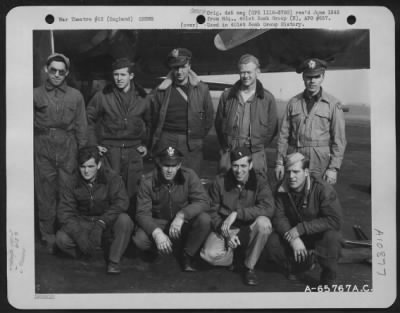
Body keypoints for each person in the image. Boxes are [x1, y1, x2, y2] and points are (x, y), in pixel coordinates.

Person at [34, 53, 88, 253]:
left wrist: (83, 152)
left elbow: (82, 126)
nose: (57, 75)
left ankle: (65, 237)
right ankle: (48, 238)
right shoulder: (35, 95)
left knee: (67, 193)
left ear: (67, 73)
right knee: (45, 194)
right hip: (43, 146)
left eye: (61, 71)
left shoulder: (76, 95)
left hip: (68, 147)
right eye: (53, 70)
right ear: (46, 70)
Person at [201, 146, 274, 286]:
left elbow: (269, 208)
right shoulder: (220, 181)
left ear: (251, 165)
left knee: (264, 223)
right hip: (227, 228)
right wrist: (226, 233)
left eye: (243, 166)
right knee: (208, 255)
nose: (239, 171)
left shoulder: (259, 181)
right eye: (235, 165)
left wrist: (237, 213)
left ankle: (249, 267)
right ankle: (237, 258)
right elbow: (211, 210)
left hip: (250, 228)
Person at [266, 152, 342, 286]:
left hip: (318, 235)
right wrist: (293, 239)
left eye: (296, 172)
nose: (291, 177)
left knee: (332, 237)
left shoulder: (323, 189)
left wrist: (302, 228)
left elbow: (334, 220)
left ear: (306, 172)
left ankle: (329, 275)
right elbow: (278, 217)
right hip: (296, 235)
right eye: (288, 172)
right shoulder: (280, 188)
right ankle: (300, 264)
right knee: (272, 242)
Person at [56, 146, 134, 274]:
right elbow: (65, 212)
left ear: (98, 165)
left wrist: (102, 223)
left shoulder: (112, 178)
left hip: (105, 221)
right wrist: (78, 234)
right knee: (61, 239)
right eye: (82, 166)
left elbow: (121, 203)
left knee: (125, 220)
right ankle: (88, 253)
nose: (86, 171)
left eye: (90, 166)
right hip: (83, 222)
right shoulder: (71, 181)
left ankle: (114, 260)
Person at [133, 146, 211, 271]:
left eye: (174, 165)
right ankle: (159, 248)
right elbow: (142, 214)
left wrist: (182, 214)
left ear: (179, 165)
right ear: (159, 163)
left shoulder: (189, 175)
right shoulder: (147, 181)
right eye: (166, 165)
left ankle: (188, 254)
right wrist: (157, 233)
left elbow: (204, 201)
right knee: (140, 240)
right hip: (159, 222)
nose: (170, 170)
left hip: (181, 223)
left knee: (205, 220)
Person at [275, 58, 347, 184]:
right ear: (303, 77)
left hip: (320, 160)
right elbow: (283, 135)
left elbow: (339, 140)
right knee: (295, 196)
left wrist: (333, 168)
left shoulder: (333, 104)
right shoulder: (293, 103)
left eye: (316, 76)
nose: (312, 81)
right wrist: (280, 162)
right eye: (308, 77)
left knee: (320, 197)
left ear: (323, 77)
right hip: (296, 157)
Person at [86, 57, 149, 199]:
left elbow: (151, 121)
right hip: (110, 151)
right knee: (111, 188)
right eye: (116, 75)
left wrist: (146, 144)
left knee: (134, 190)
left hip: (134, 150)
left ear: (131, 76)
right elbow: (88, 119)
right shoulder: (103, 96)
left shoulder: (143, 97)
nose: (119, 78)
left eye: (123, 75)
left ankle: (133, 220)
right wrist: (94, 145)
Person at [148, 48, 214, 176]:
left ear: (189, 66)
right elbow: (153, 117)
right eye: (175, 67)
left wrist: (197, 136)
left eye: (183, 67)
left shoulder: (202, 89)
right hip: (166, 138)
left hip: (191, 142)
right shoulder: (161, 90)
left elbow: (208, 117)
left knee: (190, 178)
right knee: (164, 178)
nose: (179, 71)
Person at [215, 54, 278, 175]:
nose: (245, 76)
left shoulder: (267, 98)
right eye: (242, 72)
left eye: (249, 72)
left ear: (257, 72)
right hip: (230, 151)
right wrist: (226, 145)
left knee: (256, 187)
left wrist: (258, 145)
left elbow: (272, 128)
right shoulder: (227, 96)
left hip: (255, 152)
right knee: (225, 187)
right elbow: (218, 124)